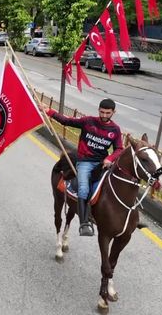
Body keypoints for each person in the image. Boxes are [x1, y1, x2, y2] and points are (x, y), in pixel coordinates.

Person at [45, 98, 123, 237]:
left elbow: (119, 149)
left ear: (113, 112)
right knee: (83, 188)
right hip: (85, 162)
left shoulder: (115, 130)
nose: (104, 115)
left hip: (102, 163)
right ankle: (84, 223)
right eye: (102, 112)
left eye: (108, 113)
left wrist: (109, 158)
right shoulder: (88, 121)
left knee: (119, 184)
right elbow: (66, 121)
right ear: (98, 110)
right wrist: (49, 111)